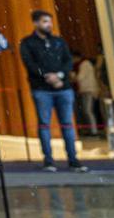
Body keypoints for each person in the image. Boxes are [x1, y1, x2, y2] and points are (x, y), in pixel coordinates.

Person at [20, 11, 88, 172]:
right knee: (44, 124)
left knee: (67, 125)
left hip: (63, 89)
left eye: (50, 22)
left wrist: (59, 76)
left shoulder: (59, 41)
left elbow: (68, 61)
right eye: (45, 22)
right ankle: (49, 161)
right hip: (41, 90)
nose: (49, 25)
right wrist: (46, 76)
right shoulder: (27, 43)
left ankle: (73, 160)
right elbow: (29, 63)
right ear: (36, 23)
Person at [73, 56, 101, 137]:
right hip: (86, 90)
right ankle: (91, 130)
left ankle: (94, 131)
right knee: (87, 111)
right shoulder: (85, 64)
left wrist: (72, 76)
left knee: (88, 111)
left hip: (88, 90)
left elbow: (80, 77)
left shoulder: (84, 64)